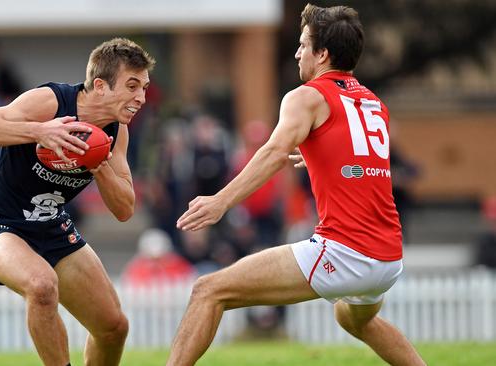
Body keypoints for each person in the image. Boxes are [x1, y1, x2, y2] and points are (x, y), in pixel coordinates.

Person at [167, 4, 426, 366]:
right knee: (351, 318)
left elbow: (274, 152)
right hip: (389, 258)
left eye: (304, 44)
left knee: (208, 290)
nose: (297, 52)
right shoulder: (371, 102)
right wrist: (323, 160)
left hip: (345, 253)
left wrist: (220, 201)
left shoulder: (305, 96)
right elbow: (363, 162)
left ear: (322, 54)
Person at [0, 37, 155, 366]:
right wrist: (39, 131)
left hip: (51, 224)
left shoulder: (117, 132)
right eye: (132, 86)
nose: (141, 98)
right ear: (100, 85)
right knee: (41, 285)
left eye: (145, 88)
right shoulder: (50, 100)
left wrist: (99, 163)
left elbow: (124, 209)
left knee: (113, 327)